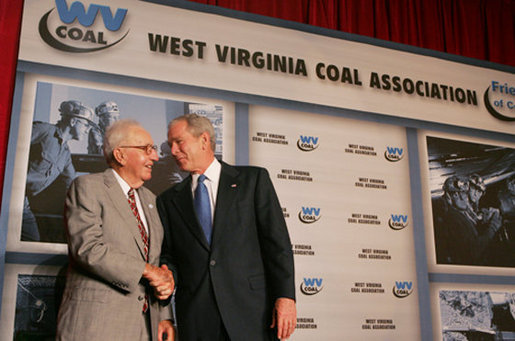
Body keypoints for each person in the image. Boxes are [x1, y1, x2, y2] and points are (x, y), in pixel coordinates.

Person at [157, 114, 296, 341]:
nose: (172, 150)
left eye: (178, 142)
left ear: (204, 140)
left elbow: (277, 244)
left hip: (252, 314)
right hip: (197, 319)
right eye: (170, 144)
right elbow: (170, 255)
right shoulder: (168, 200)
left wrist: (285, 297)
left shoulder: (253, 180)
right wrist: (166, 273)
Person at [56, 119, 175, 340]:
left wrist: (164, 316)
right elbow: (89, 249)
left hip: (145, 328)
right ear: (120, 155)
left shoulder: (151, 200)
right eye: (146, 149)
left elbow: (156, 261)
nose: (155, 157)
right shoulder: (87, 187)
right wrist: (149, 271)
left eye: (154, 149)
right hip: (96, 326)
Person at [23, 100, 94, 241]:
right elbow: (9, 143)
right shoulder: (43, 131)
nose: (87, 130)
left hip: (24, 203)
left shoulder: (65, 154)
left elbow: (71, 184)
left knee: (32, 239)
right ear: (73, 121)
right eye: (85, 125)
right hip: (9, 193)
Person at [433, 175, 501, 265]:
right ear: (453, 195)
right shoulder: (453, 218)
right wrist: (493, 227)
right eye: (464, 194)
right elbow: (474, 251)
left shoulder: (454, 211)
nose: (466, 199)